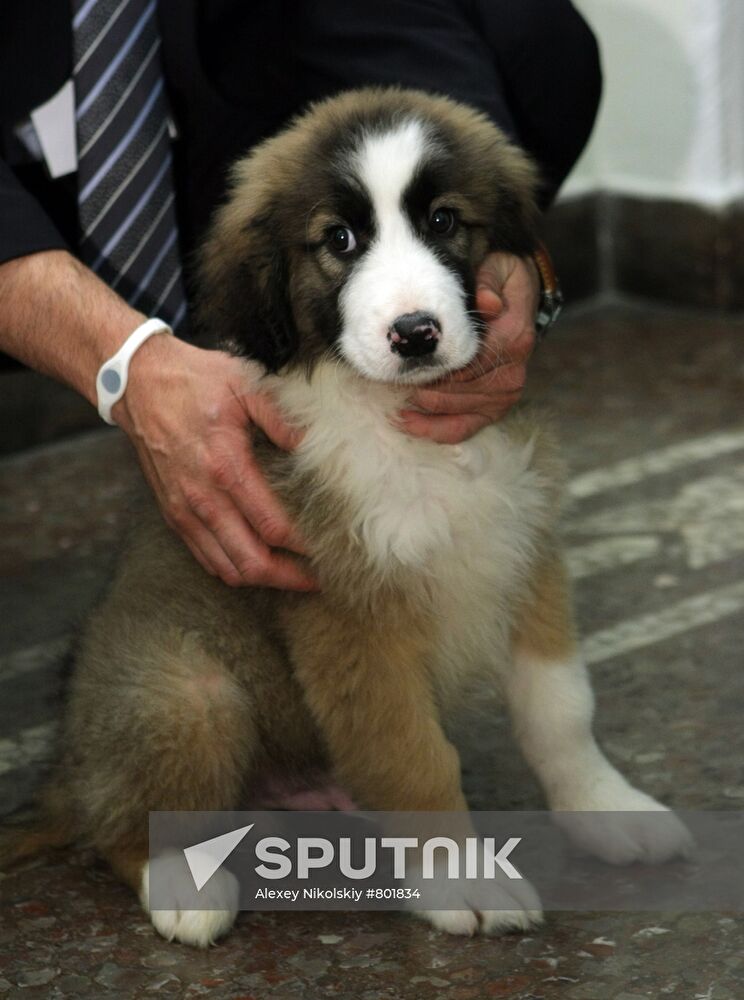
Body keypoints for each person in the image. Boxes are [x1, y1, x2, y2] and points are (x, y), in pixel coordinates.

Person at [0, 0, 601, 590]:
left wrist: (494, 234)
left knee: (534, 31)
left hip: (196, 143)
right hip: (28, 189)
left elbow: (396, 25)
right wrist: (125, 360)